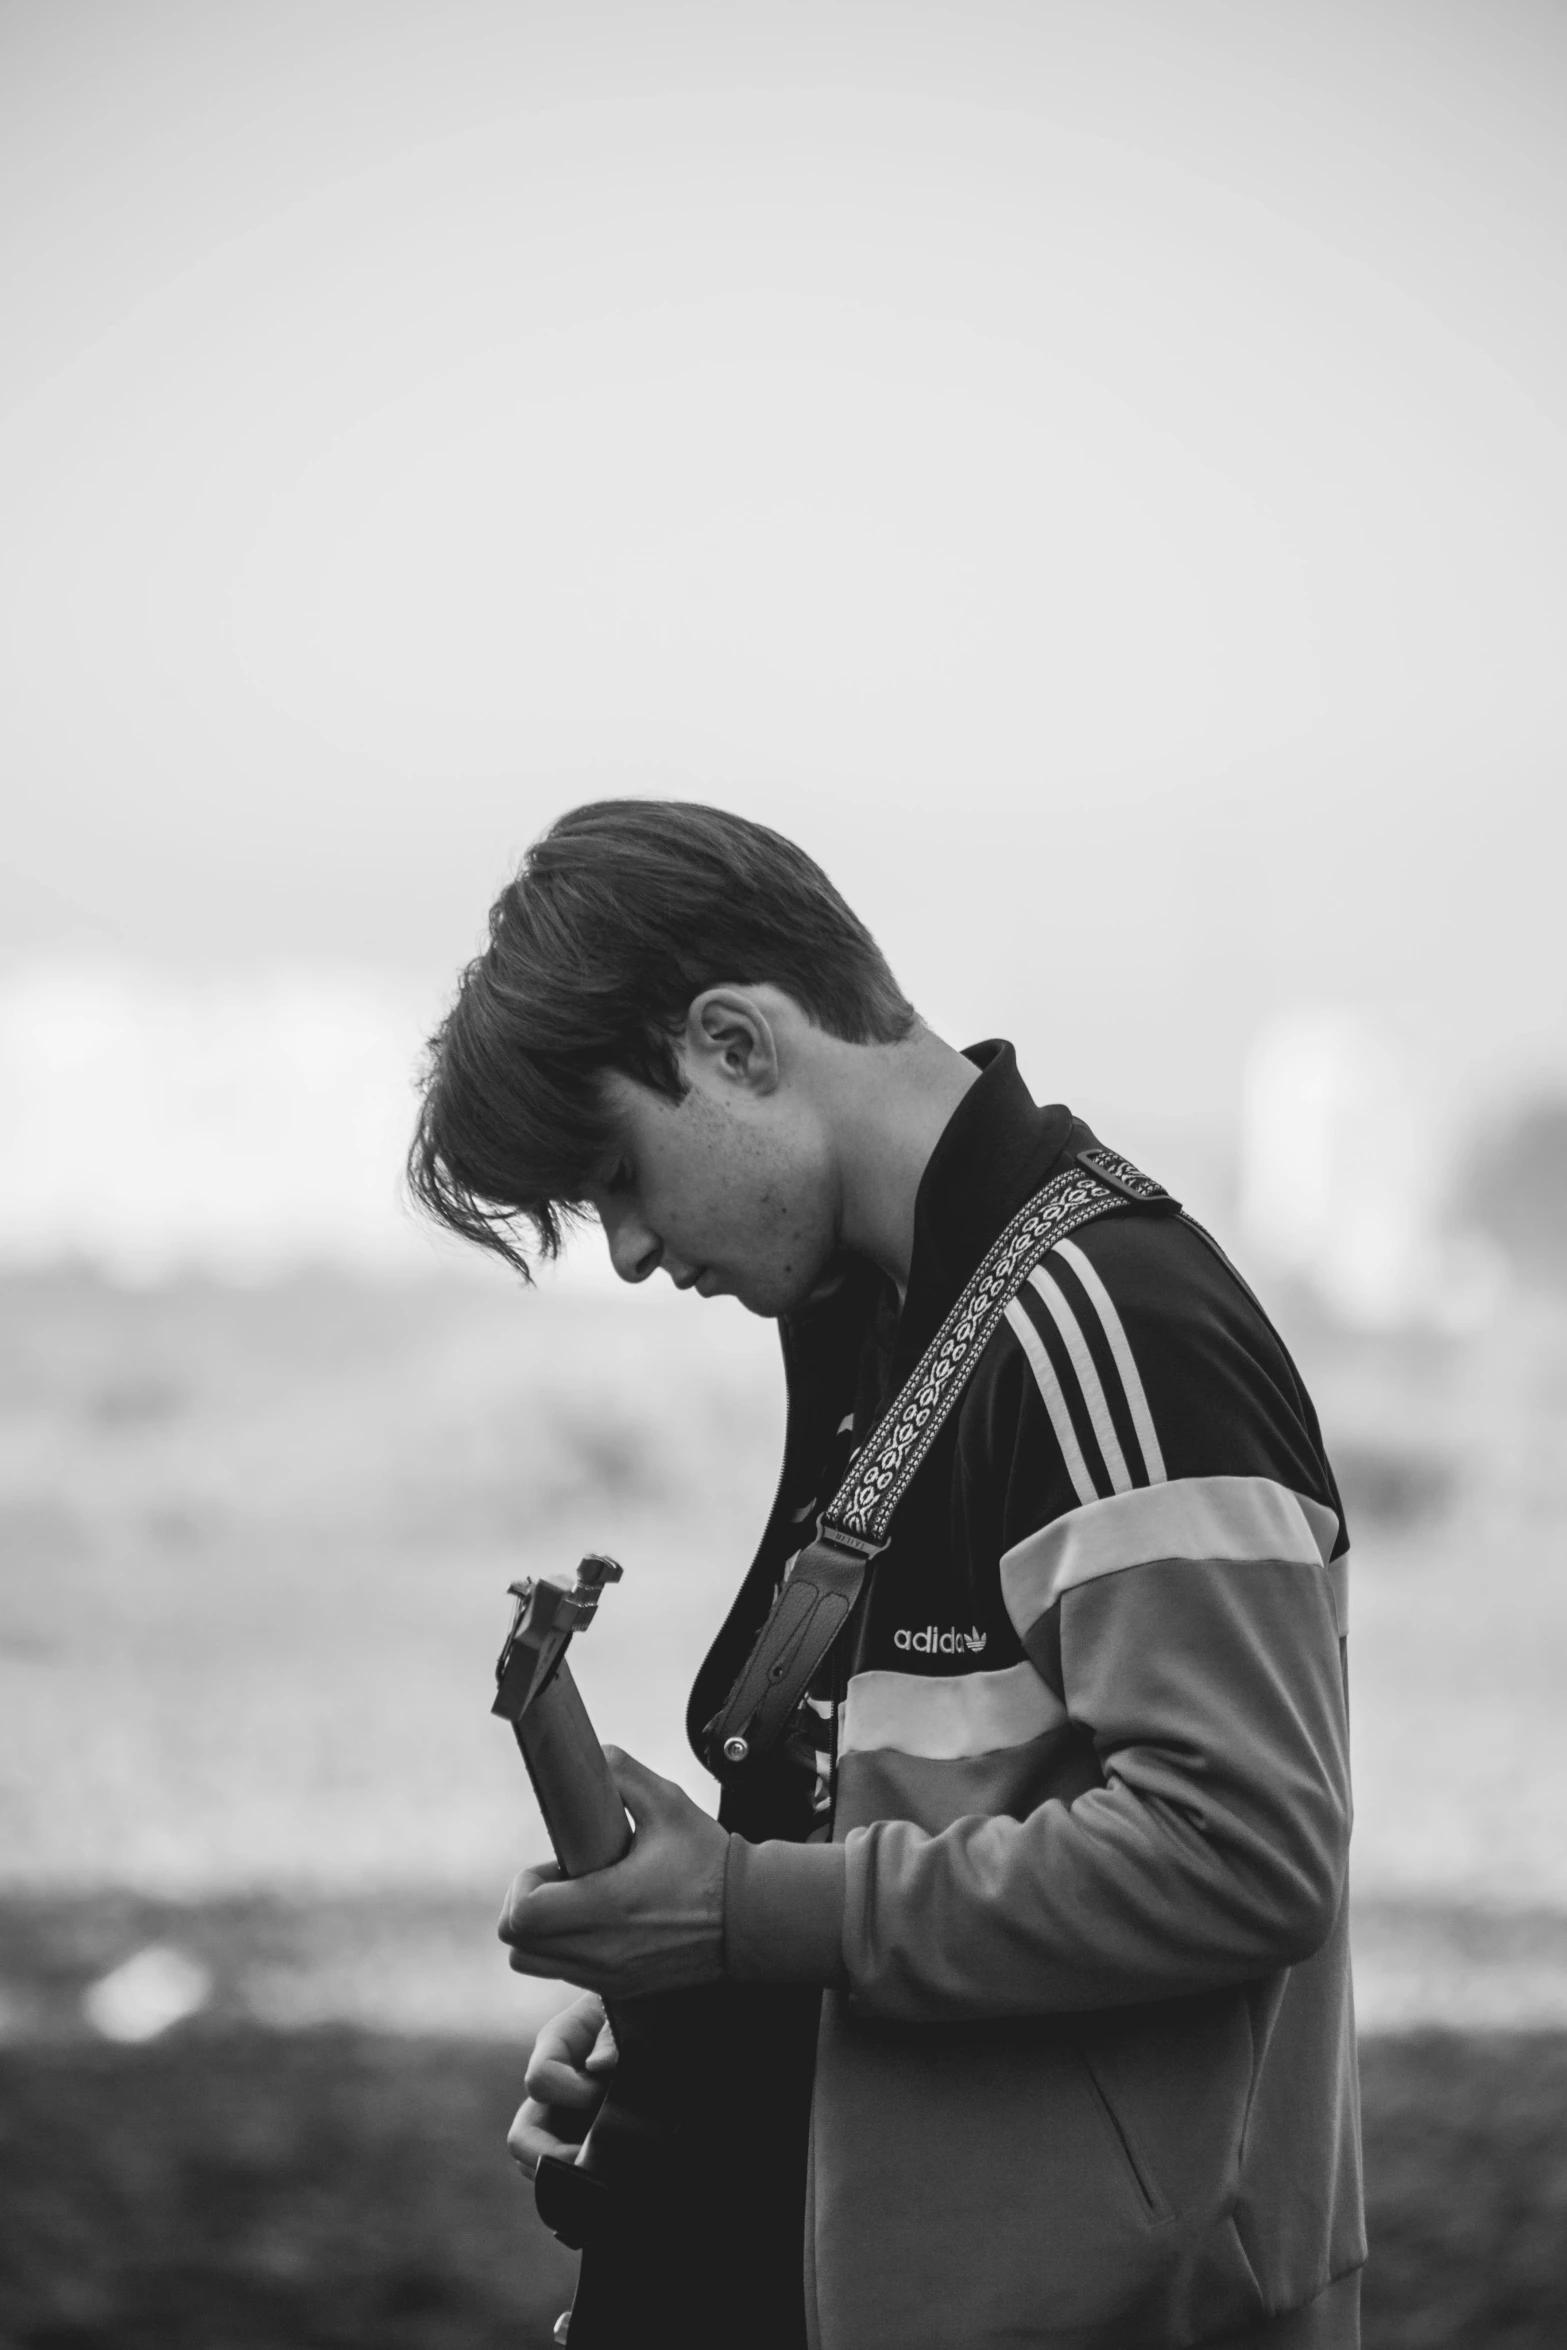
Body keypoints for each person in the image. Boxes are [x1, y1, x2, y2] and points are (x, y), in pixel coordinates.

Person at [408, 800, 1364, 2350]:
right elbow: (895, 1835)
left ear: (735, 1044)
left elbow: (1240, 1847)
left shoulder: (1110, 1321)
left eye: (618, 1178)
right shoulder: (887, 1322)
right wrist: (694, 2006)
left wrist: (745, 1916)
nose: (634, 1251)